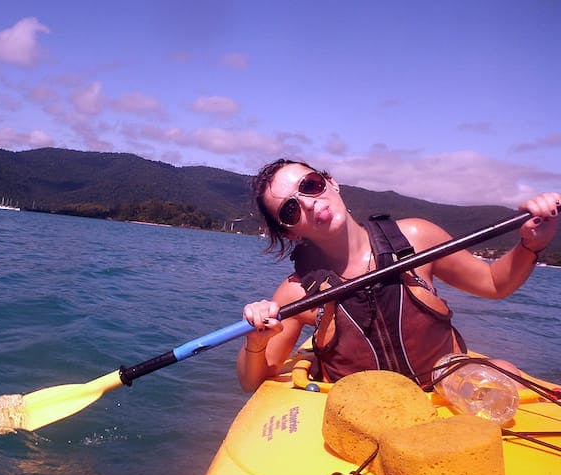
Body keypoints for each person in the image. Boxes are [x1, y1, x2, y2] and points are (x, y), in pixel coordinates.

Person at [237, 158, 560, 392]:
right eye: (291, 209)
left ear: (331, 182)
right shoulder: (297, 294)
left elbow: (493, 284)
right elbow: (253, 381)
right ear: (290, 232)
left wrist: (530, 246)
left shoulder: (418, 237)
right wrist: (256, 342)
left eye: (310, 185)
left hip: (444, 391)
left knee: (503, 371)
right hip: (361, 409)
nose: (308, 203)